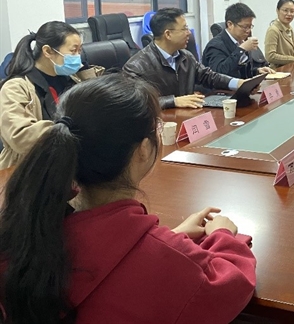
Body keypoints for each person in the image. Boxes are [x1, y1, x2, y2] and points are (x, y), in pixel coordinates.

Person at [0, 74, 256, 324]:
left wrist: (173, 235)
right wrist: (223, 235)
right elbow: (230, 286)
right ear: (143, 149)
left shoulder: (29, 228)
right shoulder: (164, 263)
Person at [0, 21, 100, 169]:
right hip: (29, 167)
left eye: (80, 51)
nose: (77, 57)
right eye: (73, 51)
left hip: (69, 162)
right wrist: (71, 129)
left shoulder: (73, 79)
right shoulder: (16, 88)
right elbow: (20, 136)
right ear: (47, 51)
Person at [123, 8, 243, 109]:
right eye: (184, 28)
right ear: (168, 34)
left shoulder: (186, 56)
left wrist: (238, 83)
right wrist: (173, 101)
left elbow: (209, 76)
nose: (189, 33)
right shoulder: (137, 66)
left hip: (187, 117)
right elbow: (136, 102)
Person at [202, 3, 275, 79]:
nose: (248, 31)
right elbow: (219, 73)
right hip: (221, 86)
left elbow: (239, 71)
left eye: (250, 26)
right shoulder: (215, 45)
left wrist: (256, 71)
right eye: (245, 27)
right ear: (230, 24)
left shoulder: (240, 41)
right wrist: (241, 49)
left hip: (241, 84)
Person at [264, 0, 294, 69]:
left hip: (291, 70)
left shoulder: (290, 29)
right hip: (278, 71)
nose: (289, 14)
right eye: (285, 10)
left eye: (292, 11)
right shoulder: (273, 30)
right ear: (277, 11)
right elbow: (270, 56)